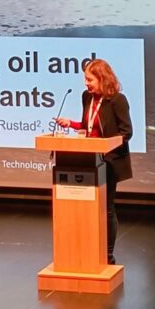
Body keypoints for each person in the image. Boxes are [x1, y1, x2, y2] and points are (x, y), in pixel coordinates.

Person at [54, 58, 132, 265]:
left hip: (109, 161)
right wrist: (70, 124)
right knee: (86, 207)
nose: (86, 83)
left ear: (102, 79)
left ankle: (107, 255)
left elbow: (126, 132)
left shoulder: (117, 100)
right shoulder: (86, 97)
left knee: (107, 209)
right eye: (85, 79)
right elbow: (88, 126)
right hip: (88, 159)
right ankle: (86, 252)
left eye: (90, 79)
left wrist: (106, 145)